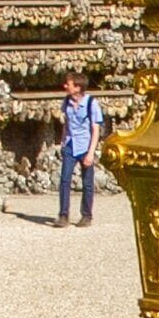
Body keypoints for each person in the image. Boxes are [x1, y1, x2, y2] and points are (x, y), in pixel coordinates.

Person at [56, 70, 106, 228]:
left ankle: (86, 215)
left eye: (68, 84)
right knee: (65, 180)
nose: (65, 86)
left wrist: (91, 153)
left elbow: (95, 130)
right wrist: (63, 142)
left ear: (77, 87)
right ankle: (63, 215)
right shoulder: (67, 102)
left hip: (85, 145)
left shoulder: (91, 103)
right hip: (70, 144)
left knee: (87, 183)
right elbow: (66, 123)